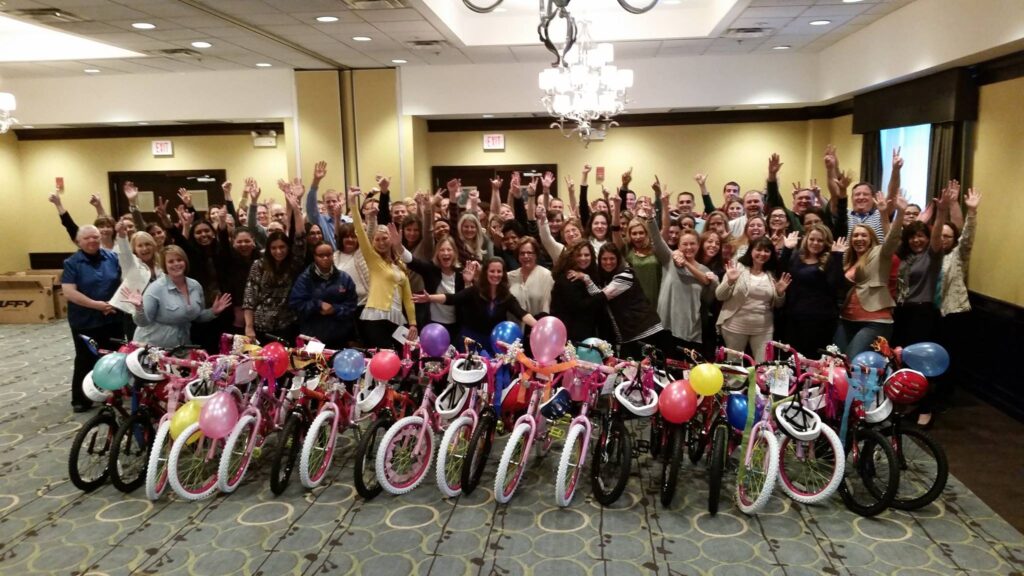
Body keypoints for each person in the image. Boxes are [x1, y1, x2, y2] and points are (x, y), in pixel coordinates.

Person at [927, 186, 981, 426]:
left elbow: (968, 237)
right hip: (932, 312)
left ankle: (944, 395)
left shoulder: (958, 255)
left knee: (950, 356)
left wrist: (972, 212)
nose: (944, 239)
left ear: (953, 239)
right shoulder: (931, 255)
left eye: (948, 236)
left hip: (954, 312)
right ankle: (930, 393)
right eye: (941, 236)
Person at [834, 194, 908, 358]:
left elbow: (893, 238)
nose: (859, 238)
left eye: (863, 235)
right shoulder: (849, 260)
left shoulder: (880, 253)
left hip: (875, 321)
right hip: (846, 319)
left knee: (854, 361)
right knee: (836, 360)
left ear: (871, 238)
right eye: (855, 235)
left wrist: (899, 213)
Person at [413, 257, 537, 353]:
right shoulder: (475, 291)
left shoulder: (506, 297)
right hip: (470, 342)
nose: (496, 274)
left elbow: (521, 313)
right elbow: (452, 298)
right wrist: (430, 298)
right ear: (486, 272)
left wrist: (537, 325)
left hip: (492, 343)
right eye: (492, 271)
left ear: (503, 274)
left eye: (499, 271)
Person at [61, 225, 124, 412]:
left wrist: (113, 303)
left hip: (112, 316)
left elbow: (123, 281)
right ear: (79, 242)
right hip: (85, 320)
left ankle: (112, 395)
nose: (92, 241)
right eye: (87, 238)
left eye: (95, 237)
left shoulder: (112, 257)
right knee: (86, 358)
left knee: (112, 357)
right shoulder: (72, 262)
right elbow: (69, 292)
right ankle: (81, 399)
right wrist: (97, 305)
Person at [125, 245, 231, 349]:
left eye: (179, 260)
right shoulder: (156, 289)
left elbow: (197, 316)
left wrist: (213, 311)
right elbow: (143, 322)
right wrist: (139, 308)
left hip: (181, 346)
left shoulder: (195, 285)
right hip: (152, 348)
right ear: (164, 266)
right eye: (171, 261)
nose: (176, 264)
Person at [350, 189, 418, 350]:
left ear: (391, 239)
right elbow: (360, 232)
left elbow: (408, 298)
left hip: (396, 318)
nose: (381, 242)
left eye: (385, 238)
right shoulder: (374, 260)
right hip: (375, 318)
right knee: (383, 358)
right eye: (377, 239)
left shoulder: (400, 264)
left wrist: (413, 323)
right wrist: (353, 204)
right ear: (373, 243)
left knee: (402, 358)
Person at [715, 237, 792, 363]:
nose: (762, 254)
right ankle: (733, 384)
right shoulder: (737, 268)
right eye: (759, 250)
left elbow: (778, 305)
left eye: (767, 251)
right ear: (751, 251)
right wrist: (729, 281)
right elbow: (719, 295)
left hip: (763, 328)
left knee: (764, 366)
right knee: (734, 367)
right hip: (735, 326)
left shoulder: (772, 274)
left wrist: (779, 293)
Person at [582, 243, 665, 358]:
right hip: (629, 335)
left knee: (644, 372)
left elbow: (601, 297)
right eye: (604, 259)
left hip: (644, 332)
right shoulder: (607, 278)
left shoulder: (625, 275)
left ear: (618, 259)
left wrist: (585, 278)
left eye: (612, 258)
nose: (608, 262)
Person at [778, 225, 847, 357]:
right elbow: (781, 274)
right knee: (792, 360)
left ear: (826, 242)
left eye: (820, 240)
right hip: (794, 318)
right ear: (806, 239)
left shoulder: (830, 260)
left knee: (813, 361)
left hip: (820, 321)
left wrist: (837, 256)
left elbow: (837, 285)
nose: (815, 243)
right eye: (812, 239)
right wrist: (786, 249)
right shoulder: (796, 257)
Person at [288, 242, 359, 349]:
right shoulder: (304, 279)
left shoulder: (345, 278)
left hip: (340, 337)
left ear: (333, 255)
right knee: (314, 365)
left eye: (328, 254)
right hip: (313, 337)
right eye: (321, 255)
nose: (325, 258)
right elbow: (296, 304)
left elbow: (352, 305)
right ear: (314, 256)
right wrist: (318, 304)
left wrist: (335, 309)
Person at [402, 236, 468, 344]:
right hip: (432, 325)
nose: (445, 253)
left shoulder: (462, 274)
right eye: (442, 250)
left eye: (449, 249)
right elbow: (412, 261)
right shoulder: (431, 269)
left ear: (455, 253)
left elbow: (463, 299)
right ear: (437, 254)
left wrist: (468, 282)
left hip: (455, 327)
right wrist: (398, 246)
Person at [550, 242, 606, 343]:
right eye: (579, 255)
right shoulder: (568, 278)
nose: (583, 258)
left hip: (588, 332)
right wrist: (603, 296)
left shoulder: (592, 274)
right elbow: (579, 306)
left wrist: (586, 278)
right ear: (571, 257)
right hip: (572, 336)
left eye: (587, 255)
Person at [506, 237, 553, 319]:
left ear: (536, 255)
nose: (526, 256)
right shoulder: (509, 276)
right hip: (513, 327)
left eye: (529, 253)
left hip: (537, 325)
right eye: (522, 253)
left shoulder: (546, 275)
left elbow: (546, 308)